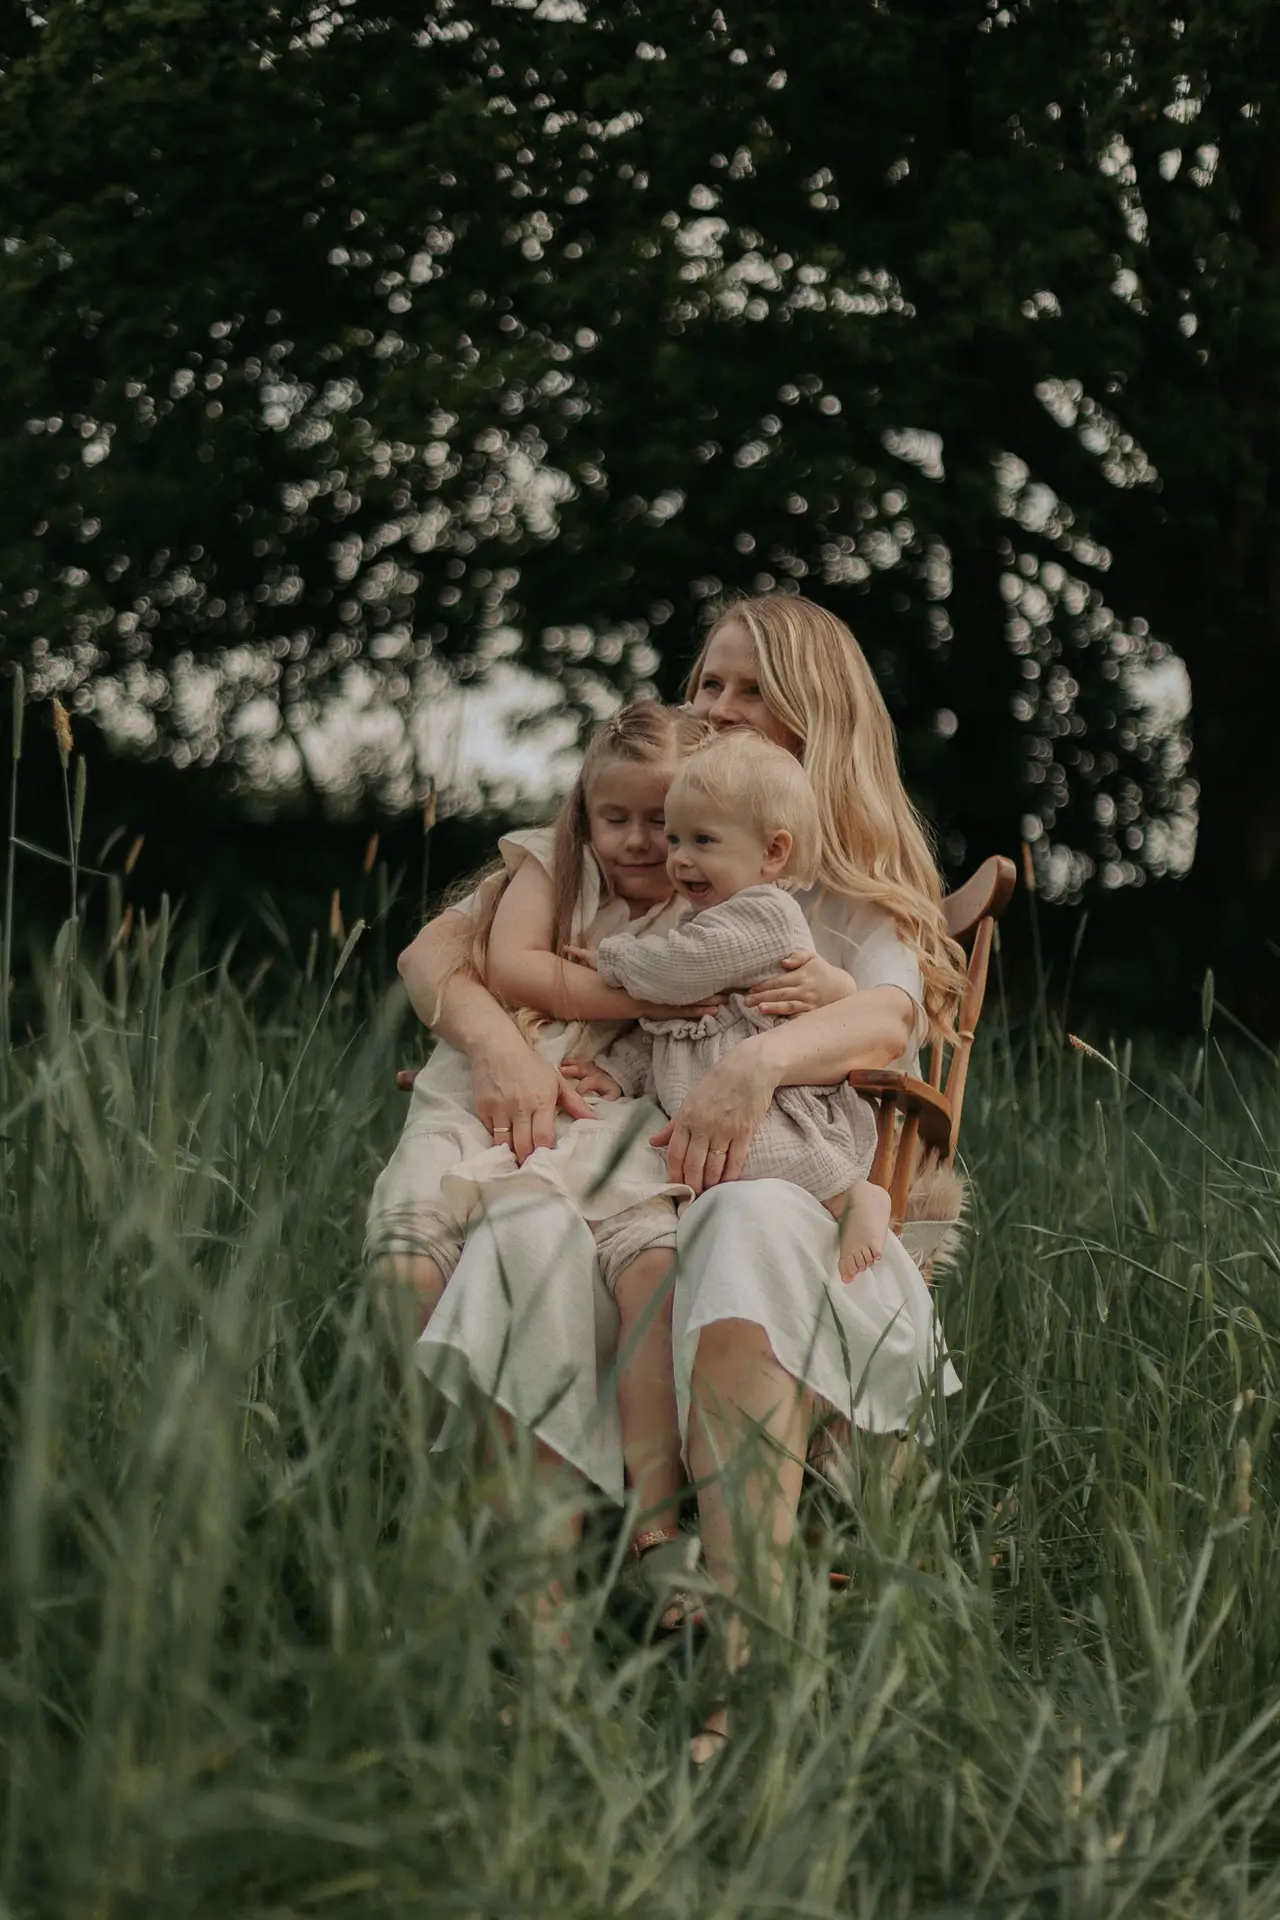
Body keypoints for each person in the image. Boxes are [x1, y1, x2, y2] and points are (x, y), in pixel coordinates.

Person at [395, 593, 964, 1751]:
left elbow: (889, 1020)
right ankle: (539, 1643)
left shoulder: (839, 886)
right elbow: (439, 956)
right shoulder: (647, 835)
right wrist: (503, 1044)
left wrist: (755, 1061)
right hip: (626, 1171)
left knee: (741, 1218)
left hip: (778, 1185)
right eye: (707, 685)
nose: (718, 709)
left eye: (751, 689)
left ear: (818, 713)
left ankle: (745, 1663)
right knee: (525, 1236)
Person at [367, 701, 714, 1574]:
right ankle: (435, 1478)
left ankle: (640, 1515)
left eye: (663, 824)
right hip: (474, 1093)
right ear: (583, 813)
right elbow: (488, 964)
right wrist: (651, 999)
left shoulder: (716, 892)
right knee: (406, 1269)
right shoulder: (551, 865)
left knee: (627, 1258)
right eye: (616, 819)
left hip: (605, 1115)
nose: (640, 843)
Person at [566, 728, 892, 1278]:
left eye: (704, 841)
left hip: (778, 1106)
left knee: (758, 1154)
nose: (680, 859)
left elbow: (673, 974)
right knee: (676, 1162)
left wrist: (612, 958)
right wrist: (619, 1072)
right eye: (676, 841)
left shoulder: (763, 917)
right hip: (713, 1102)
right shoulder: (708, 921)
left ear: (772, 852)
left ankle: (851, 1197)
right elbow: (674, 1031)